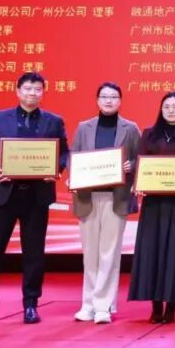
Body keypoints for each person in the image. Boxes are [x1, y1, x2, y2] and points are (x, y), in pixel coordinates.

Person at [0, 71, 69, 327]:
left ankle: (31, 305)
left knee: (34, 254)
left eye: (37, 89)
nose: (32, 93)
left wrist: (56, 169)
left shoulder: (54, 121)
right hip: (2, 195)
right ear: (17, 91)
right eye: (27, 89)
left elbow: (64, 153)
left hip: (37, 197)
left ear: (43, 92)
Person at [69, 82, 141, 324]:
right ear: (97, 100)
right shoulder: (84, 127)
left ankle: (103, 306)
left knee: (110, 254)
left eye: (114, 97)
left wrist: (131, 165)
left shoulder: (130, 128)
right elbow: (73, 157)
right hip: (88, 197)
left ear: (120, 101)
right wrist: (74, 173)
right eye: (104, 96)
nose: (109, 100)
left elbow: (141, 159)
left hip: (116, 198)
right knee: (90, 254)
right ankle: (88, 304)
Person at [128, 91, 175, 324]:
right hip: (153, 203)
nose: (171, 110)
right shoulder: (149, 134)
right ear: (161, 109)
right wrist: (139, 183)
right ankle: (155, 305)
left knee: (174, 253)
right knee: (153, 252)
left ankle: (171, 305)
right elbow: (141, 163)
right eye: (166, 106)